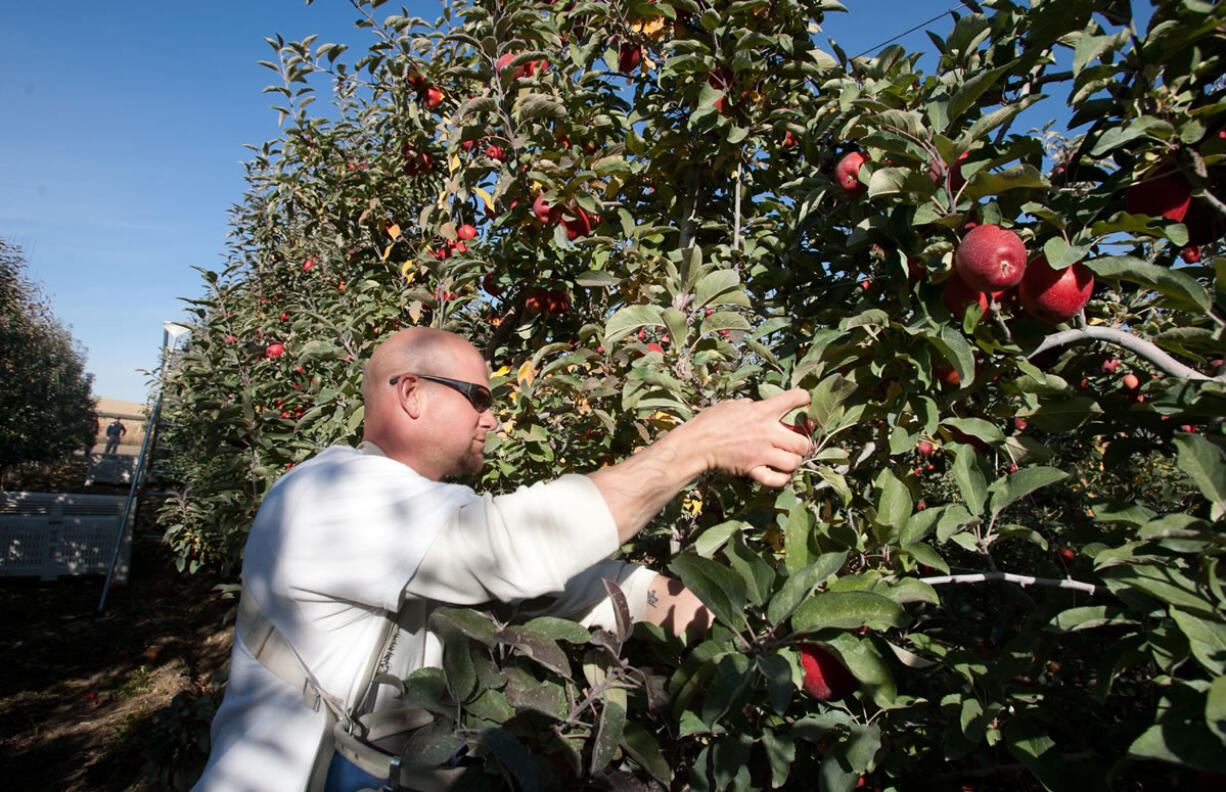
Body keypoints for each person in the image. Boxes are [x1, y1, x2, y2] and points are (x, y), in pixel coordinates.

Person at [194, 327, 811, 792]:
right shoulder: (324, 498)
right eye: (478, 397)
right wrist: (694, 446)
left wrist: (765, 637)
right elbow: (519, 549)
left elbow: (590, 588)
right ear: (410, 393)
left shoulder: (432, 514)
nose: (493, 417)